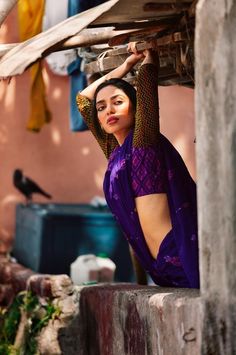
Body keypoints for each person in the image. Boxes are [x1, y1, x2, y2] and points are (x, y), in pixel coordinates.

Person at [76, 42, 199, 288]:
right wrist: (126, 64)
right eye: (102, 108)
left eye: (118, 102)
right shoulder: (115, 154)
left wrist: (148, 58)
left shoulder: (143, 141)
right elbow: (83, 100)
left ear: (134, 108)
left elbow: (145, 91)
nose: (109, 110)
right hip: (158, 268)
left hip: (178, 255)